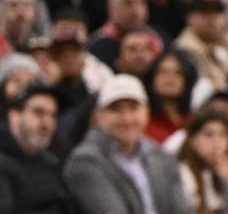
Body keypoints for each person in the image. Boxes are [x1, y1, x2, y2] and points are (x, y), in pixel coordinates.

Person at [63, 72, 190, 214]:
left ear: (146, 111)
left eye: (133, 107)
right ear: (100, 115)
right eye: (116, 109)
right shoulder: (84, 161)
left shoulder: (162, 156)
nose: (127, 118)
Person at [0, 83, 73, 214]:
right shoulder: (3, 162)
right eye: (39, 113)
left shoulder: (51, 161)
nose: (47, 123)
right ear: (14, 116)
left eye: (53, 115)